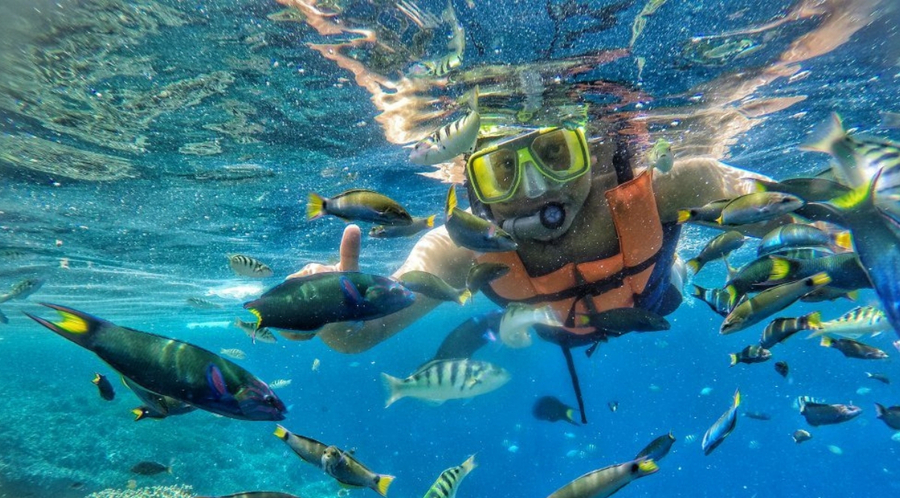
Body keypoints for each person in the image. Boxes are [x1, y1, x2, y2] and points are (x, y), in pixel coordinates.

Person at [295, 125, 761, 355]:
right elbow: (364, 333)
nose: (537, 188)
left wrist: (794, 224)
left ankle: (678, 267)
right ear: (474, 186)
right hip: (555, 331)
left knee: (675, 280)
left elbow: (770, 204)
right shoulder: (464, 244)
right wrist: (330, 310)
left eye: (555, 152)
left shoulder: (668, 186)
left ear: (591, 149)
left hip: (655, 300)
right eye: (502, 169)